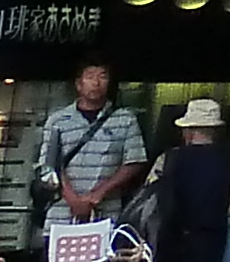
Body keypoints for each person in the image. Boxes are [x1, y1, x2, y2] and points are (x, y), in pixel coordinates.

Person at [34, 63, 150, 237]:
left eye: (102, 76)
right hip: (61, 215)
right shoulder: (58, 120)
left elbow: (134, 162)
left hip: (106, 215)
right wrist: (73, 199)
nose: (96, 82)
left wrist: (98, 194)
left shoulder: (125, 119)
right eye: (90, 76)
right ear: (79, 84)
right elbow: (49, 165)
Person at [152, 99, 230, 262]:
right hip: (214, 248)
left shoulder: (168, 159)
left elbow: (152, 204)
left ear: (188, 131)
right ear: (215, 130)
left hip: (171, 246)